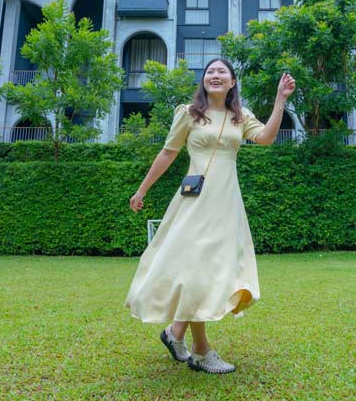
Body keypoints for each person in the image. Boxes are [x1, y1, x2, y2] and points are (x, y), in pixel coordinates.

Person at [125, 58, 295, 374]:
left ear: (232, 82)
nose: (215, 75)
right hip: (194, 201)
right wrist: (141, 190)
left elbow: (266, 138)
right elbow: (168, 153)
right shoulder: (188, 113)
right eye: (210, 72)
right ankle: (199, 349)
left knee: (207, 269)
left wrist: (279, 100)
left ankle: (177, 332)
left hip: (226, 203)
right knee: (197, 267)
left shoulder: (240, 116)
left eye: (222, 72)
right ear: (204, 80)